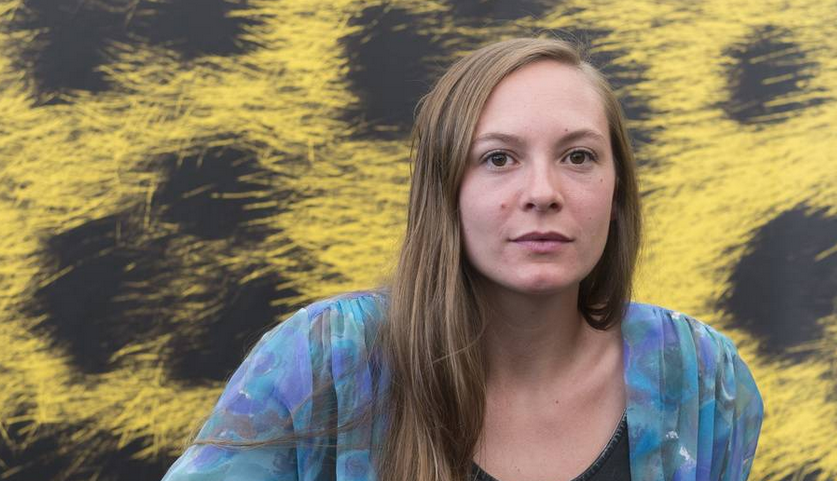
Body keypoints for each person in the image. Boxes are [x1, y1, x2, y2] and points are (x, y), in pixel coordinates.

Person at [160, 37, 763, 481]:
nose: (543, 192)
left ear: (617, 190)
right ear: (444, 190)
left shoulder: (702, 376)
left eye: (578, 156)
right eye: (499, 158)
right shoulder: (325, 359)